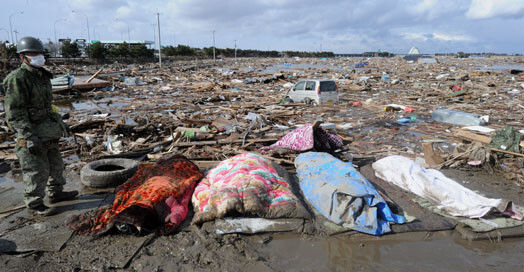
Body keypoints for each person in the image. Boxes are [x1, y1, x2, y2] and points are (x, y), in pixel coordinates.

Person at [3, 37, 78, 216]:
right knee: (35, 170)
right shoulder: (17, 78)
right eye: (33, 54)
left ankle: (56, 194)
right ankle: (35, 203)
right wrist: (28, 136)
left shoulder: (42, 76)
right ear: (23, 57)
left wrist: (59, 122)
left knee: (56, 165)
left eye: (40, 53)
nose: (39, 57)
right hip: (32, 132)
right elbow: (14, 111)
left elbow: (47, 105)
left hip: (48, 130)